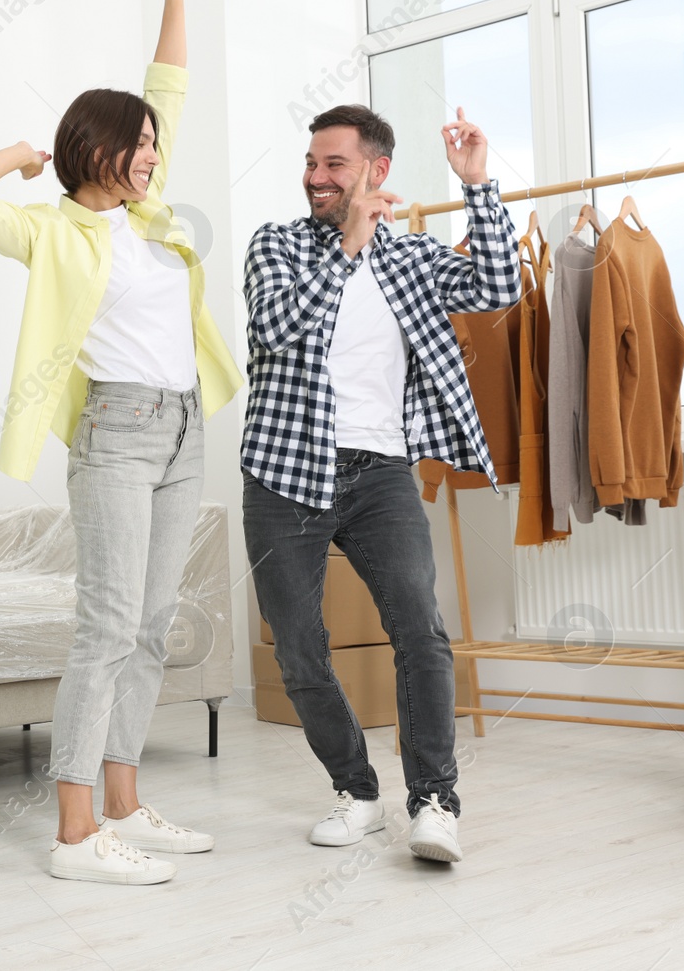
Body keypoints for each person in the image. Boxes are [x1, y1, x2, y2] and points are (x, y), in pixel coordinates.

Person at [0, 0, 242, 885]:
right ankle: (73, 836)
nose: (153, 153)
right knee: (106, 622)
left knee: (154, 623)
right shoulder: (52, 233)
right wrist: (22, 152)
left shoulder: (151, 222)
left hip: (183, 424)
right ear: (96, 150)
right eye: (138, 144)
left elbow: (170, 85)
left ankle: (123, 802)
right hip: (113, 430)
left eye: (154, 143)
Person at [240, 104, 519, 863]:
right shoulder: (277, 246)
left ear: (376, 170)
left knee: (420, 630)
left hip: (380, 470)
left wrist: (479, 187)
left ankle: (433, 801)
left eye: (333, 164)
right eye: (311, 163)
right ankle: (357, 789)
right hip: (282, 470)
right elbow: (274, 329)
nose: (316, 177)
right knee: (297, 647)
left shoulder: (414, 259)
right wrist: (347, 248)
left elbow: (499, 286)